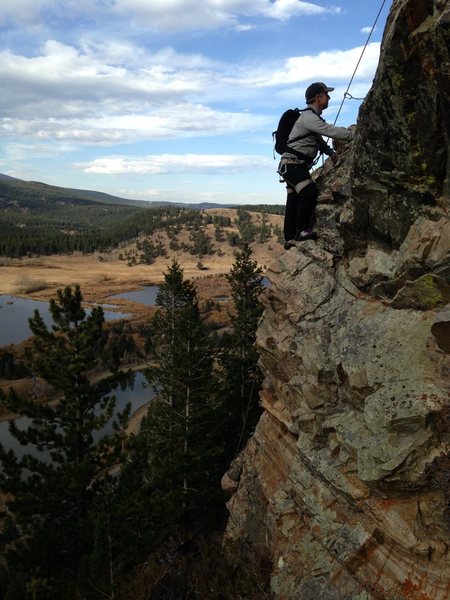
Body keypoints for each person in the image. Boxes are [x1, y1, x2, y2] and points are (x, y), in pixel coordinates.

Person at [278, 82, 355, 250]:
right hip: (293, 165)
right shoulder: (309, 118)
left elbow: (317, 139)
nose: (329, 97)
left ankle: (289, 238)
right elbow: (329, 131)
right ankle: (302, 231)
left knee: (294, 199)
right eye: (326, 94)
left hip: (289, 165)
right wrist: (352, 135)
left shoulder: (308, 118)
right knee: (309, 192)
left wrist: (329, 152)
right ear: (318, 97)